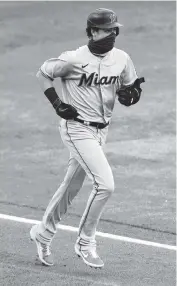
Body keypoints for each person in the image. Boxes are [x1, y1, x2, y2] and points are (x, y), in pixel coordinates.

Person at [30, 8, 145, 269]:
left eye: (115, 29)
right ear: (93, 31)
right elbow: (43, 73)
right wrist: (57, 103)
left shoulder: (122, 58)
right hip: (76, 128)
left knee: (71, 186)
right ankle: (85, 241)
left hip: (101, 131)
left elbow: (131, 85)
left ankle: (43, 232)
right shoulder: (72, 59)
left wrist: (132, 94)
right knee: (105, 185)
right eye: (108, 29)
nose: (113, 33)